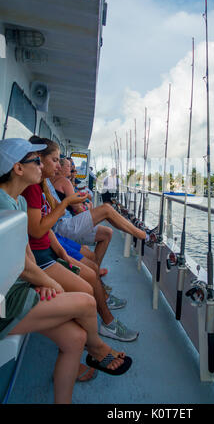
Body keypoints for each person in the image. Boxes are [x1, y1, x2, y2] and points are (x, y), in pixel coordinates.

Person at [0, 138, 132, 404]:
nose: (49, 166)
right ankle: (97, 349)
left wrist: (43, 279)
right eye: (36, 160)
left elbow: (25, 255)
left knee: (75, 338)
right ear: (18, 168)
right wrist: (50, 282)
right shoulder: (2, 206)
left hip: (16, 284)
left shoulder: (17, 203)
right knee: (85, 300)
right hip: (4, 302)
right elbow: (21, 261)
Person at [22, 136, 139, 341]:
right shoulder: (34, 188)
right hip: (45, 251)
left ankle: (102, 307)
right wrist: (68, 201)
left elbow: (45, 229)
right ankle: (141, 234)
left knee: (92, 269)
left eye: (62, 162)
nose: (59, 166)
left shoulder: (42, 186)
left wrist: (61, 252)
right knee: (105, 218)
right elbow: (39, 231)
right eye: (57, 160)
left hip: (52, 245)